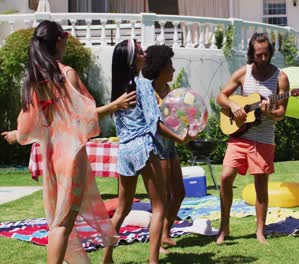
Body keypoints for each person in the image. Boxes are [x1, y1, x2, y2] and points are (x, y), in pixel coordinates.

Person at [0, 20, 131, 263]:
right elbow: (82, 116)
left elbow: (28, 125)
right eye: (66, 37)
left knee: (58, 222)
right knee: (62, 224)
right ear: (59, 40)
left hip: (52, 158)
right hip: (71, 157)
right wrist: (115, 105)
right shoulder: (66, 73)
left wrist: (14, 135)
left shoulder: (35, 80)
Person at [101, 39, 191, 264]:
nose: (144, 55)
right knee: (159, 205)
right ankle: (153, 261)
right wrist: (180, 138)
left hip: (124, 151)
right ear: (132, 60)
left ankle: (106, 258)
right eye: (140, 52)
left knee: (121, 209)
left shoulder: (119, 86)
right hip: (143, 148)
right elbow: (154, 124)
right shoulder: (143, 85)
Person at [215, 32, 289, 244]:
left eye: (266, 54)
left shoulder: (280, 78)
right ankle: (224, 227)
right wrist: (233, 105)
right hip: (239, 137)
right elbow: (221, 96)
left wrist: (268, 112)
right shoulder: (242, 73)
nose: (263, 59)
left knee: (260, 188)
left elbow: (282, 112)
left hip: (264, 138)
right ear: (251, 54)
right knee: (225, 178)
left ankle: (260, 231)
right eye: (258, 55)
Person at [142, 45, 185, 252]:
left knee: (179, 193)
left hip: (170, 146)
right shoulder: (147, 91)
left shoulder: (169, 90)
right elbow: (155, 126)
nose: (173, 69)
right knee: (163, 196)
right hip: (156, 146)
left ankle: (165, 232)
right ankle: (157, 243)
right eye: (170, 65)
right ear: (160, 67)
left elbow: (175, 119)